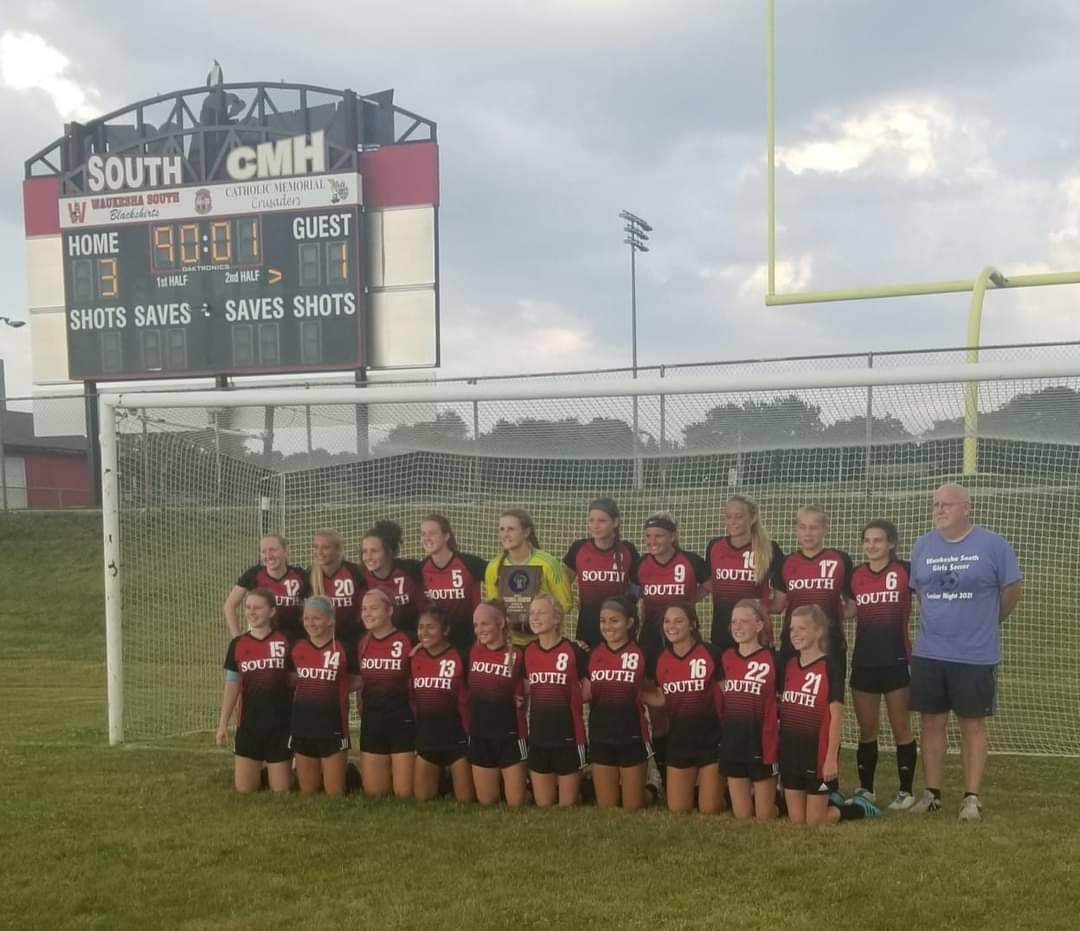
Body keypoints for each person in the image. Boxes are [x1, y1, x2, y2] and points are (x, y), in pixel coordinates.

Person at [907, 483, 1023, 821]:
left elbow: (1011, 590)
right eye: (935, 504)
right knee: (931, 723)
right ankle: (932, 793)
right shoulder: (923, 545)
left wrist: (988, 620)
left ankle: (972, 797)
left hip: (975, 654)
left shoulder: (992, 544)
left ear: (966, 508)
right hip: (930, 652)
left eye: (946, 504)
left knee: (972, 725)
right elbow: (921, 592)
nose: (939, 510)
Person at [779, 605, 879, 824]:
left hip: (816, 755)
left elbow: (835, 717)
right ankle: (831, 801)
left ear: (818, 631)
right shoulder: (788, 666)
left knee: (815, 821)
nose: (795, 634)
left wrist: (831, 759)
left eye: (802, 628)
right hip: (791, 752)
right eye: (792, 629)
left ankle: (856, 808)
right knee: (797, 821)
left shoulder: (830, 667)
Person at [846, 519, 918, 811]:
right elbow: (849, 610)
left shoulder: (905, 571)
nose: (871, 546)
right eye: (867, 541)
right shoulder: (855, 576)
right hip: (864, 660)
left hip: (896, 659)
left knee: (901, 727)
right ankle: (866, 789)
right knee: (867, 729)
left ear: (891, 544)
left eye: (878, 540)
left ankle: (906, 791)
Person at [216, 587, 293, 793]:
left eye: (257, 607)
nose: (251, 612)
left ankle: (282, 767)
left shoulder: (286, 641)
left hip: (280, 726)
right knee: (245, 789)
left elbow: (295, 680)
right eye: (248, 607)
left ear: (272, 611)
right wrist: (223, 724)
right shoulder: (238, 644)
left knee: (281, 790)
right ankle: (262, 768)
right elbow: (232, 685)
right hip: (249, 725)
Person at [651, 603, 724, 814]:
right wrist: (633, 692)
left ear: (692, 624)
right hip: (679, 740)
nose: (671, 626)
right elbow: (661, 697)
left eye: (678, 620)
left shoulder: (711, 653)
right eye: (667, 621)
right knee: (678, 809)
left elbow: (726, 693)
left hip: (711, 740)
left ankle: (723, 790)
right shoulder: (662, 659)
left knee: (709, 809)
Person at [523, 593, 589, 807]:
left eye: (541, 612)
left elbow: (589, 691)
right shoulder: (527, 652)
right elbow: (525, 689)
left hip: (568, 736)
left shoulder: (576, 651)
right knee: (544, 805)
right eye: (532, 613)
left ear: (557, 618)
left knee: (566, 807)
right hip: (539, 735)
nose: (535, 617)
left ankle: (586, 789)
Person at [586, 596, 652, 811]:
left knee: (633, 806)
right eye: (603, 621)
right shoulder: (590, 654)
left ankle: (652, 789)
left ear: (630, 622)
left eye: (614, 620)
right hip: (600, 733)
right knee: (607, 807)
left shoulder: (642, 654)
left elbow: (655, 692)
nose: (607, 626)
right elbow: (583, 692)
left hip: (631, 734)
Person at [287, 595, 356, 797]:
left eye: (316, 618)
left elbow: (358, 680)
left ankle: (350, 773)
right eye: (306, 618)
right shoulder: (297, 647)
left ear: (331, 620)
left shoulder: (344, 649)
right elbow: (290, 680)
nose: (310, 623)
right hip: (303, 724)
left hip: (333, 725)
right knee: (308, 791)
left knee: (334, 793)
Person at [774, 506, 853, 679]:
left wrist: (826, 618)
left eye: (814, 527)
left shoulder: (840, 559)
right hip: (793, 642)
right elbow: (778, 605)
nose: (808, 533)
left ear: (824, 529)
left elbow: (853, 606)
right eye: (802, 527)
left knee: (829, 698)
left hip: (829, 642)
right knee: (792, 697)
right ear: (796, 530)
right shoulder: (786, 562)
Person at [718, 599, 779, 821]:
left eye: (744, 621)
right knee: (742, 816)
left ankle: (778, 800)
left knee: (764, 817)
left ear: (759, 625)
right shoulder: (725, 658)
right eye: (734, 622)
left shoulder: (773, 659)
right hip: (734, 742)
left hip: (762, 744)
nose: (738, 627)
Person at [467, 601, 529, 807]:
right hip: (480, 733)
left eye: (484, 624)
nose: (479, 630)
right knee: (487, 801)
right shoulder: (474, 651)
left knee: (516, 803)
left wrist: (520, 697)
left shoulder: (518, 655)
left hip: (510, 735)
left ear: (501, 623)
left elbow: (533, 686)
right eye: (476, 625)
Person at [356, 588, 415, 799]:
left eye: (374, 608)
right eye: (364, 609)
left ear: (389, 610)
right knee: (375, 793)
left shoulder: (409, 641)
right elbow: (361, 682)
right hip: (373, 721)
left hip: (402, 720)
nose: (367, 614)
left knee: (404, 793)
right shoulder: (362, 642)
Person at [705, 495, 784, 651]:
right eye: (728, 517)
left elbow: (780, 601)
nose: (732, 521)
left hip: (756, 633)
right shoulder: (714, 546)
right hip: (722, 631)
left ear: (753, 518)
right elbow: (710, 585)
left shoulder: (770, 549)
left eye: (739, 516)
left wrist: (759, 607)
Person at [410, 607, 473, 802]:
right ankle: (443, 780)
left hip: (457, 739)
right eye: (421, 627)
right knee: (422, 798)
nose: (424, 632)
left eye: (431, 627)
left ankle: (451, 779)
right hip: (428, 737)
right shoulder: (413, 658)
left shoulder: (461, 657)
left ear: (445, 630)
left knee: (465, 800)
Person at [485, 509, 573, 646]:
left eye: (511, 529)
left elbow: (565, 604)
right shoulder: (493, 567)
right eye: (501, 529)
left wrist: (539, 617)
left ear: (526, 532)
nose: (505, 534)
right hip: (510, 645)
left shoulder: (548, 563)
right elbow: (493, 608)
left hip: (544, 644)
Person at [631, 512, 708, 665]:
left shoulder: (691, 561)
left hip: (683, 630)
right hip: (651, 631)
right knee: (649, 680)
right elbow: (633, 593)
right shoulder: (640, 564)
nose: (652, 541)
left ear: (672, 537)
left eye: (658, 536)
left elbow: (711, 581)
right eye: (648, 536)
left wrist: (690, 600)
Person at [563, 497, 640, 647]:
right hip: (589, 624)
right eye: (591, 520)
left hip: (620, 626)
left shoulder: (627, 550)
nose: (595, 526)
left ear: (615, 523)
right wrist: (572, 601)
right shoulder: (579, 548)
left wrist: (630, 605)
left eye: (602, 521)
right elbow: (564, 581)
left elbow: (638, 586)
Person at [419, 514, 487, 657]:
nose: (426, 538)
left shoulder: (470, 564)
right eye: (423, 534)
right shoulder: (421, 568)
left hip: (470, 637)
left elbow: (499, 577)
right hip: (438, 640)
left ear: (446, 536)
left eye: (432, 533)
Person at [223, 534, 309, 640]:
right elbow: (229, 605)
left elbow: (318, 604)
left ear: (285, 551)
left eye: (273, 550)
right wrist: (237, 639)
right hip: (262, 641)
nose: (268, 556)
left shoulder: (300, 575)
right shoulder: (253, 574)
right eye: (263, 551)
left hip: (295, 640)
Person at [361, 520, 428, 643]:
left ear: (389, 552)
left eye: (374, 551)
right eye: (365, 551)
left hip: (414, 638)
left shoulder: (411, 570)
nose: (368, 557)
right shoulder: (361, 578)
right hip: (380, 641)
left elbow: (426, 610)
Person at [308, 529, 366, 647]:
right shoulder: (309, 575)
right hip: (323, 640)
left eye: (325, 548)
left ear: (338, 550)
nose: (319, 552)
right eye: (315, 547)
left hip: (354, 638)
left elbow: (364, 608)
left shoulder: (355, 572)